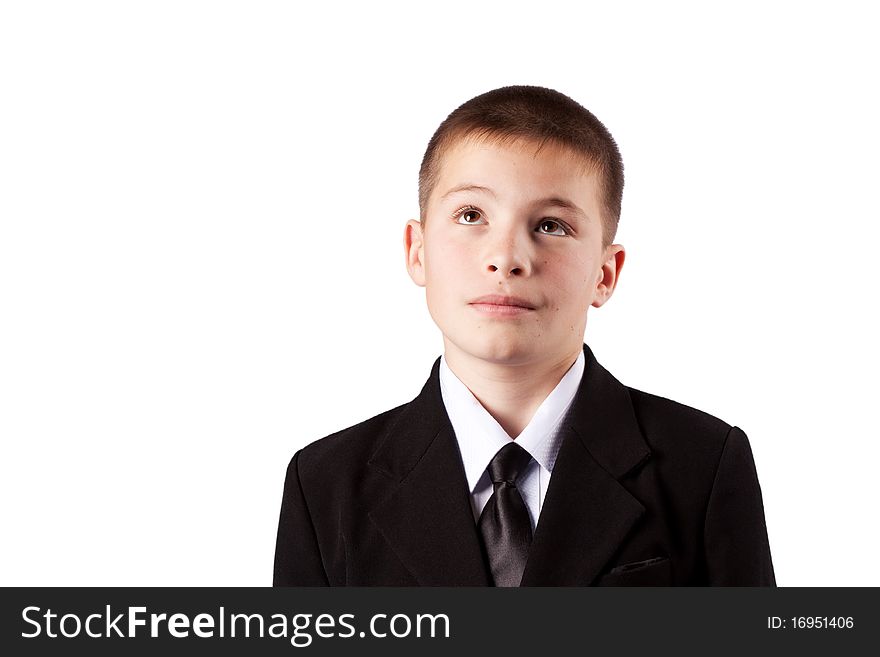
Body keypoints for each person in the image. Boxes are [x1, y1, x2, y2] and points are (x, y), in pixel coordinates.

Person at [273, 85, 776, 586]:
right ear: (417, 250)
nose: (507, 257)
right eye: (471, 215)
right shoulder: (325, 485)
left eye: (551, 225)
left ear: (605, 273)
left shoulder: (703, 465)